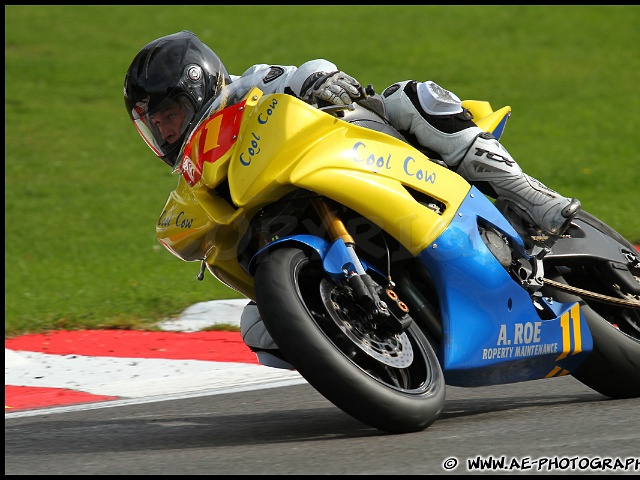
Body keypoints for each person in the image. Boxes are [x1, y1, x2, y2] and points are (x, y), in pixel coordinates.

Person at [124, 30, 581, 369]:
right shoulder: (193, 177)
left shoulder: (249, 89)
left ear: (198, 85)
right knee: (258, 328)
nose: (164, 130)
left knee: (409, 96)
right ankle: (363, 354)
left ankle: (528, 193)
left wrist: (318, 80)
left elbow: (303, 71)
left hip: (376, 159)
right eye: (153, 123)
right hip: (303, 223)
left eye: (170, 113)